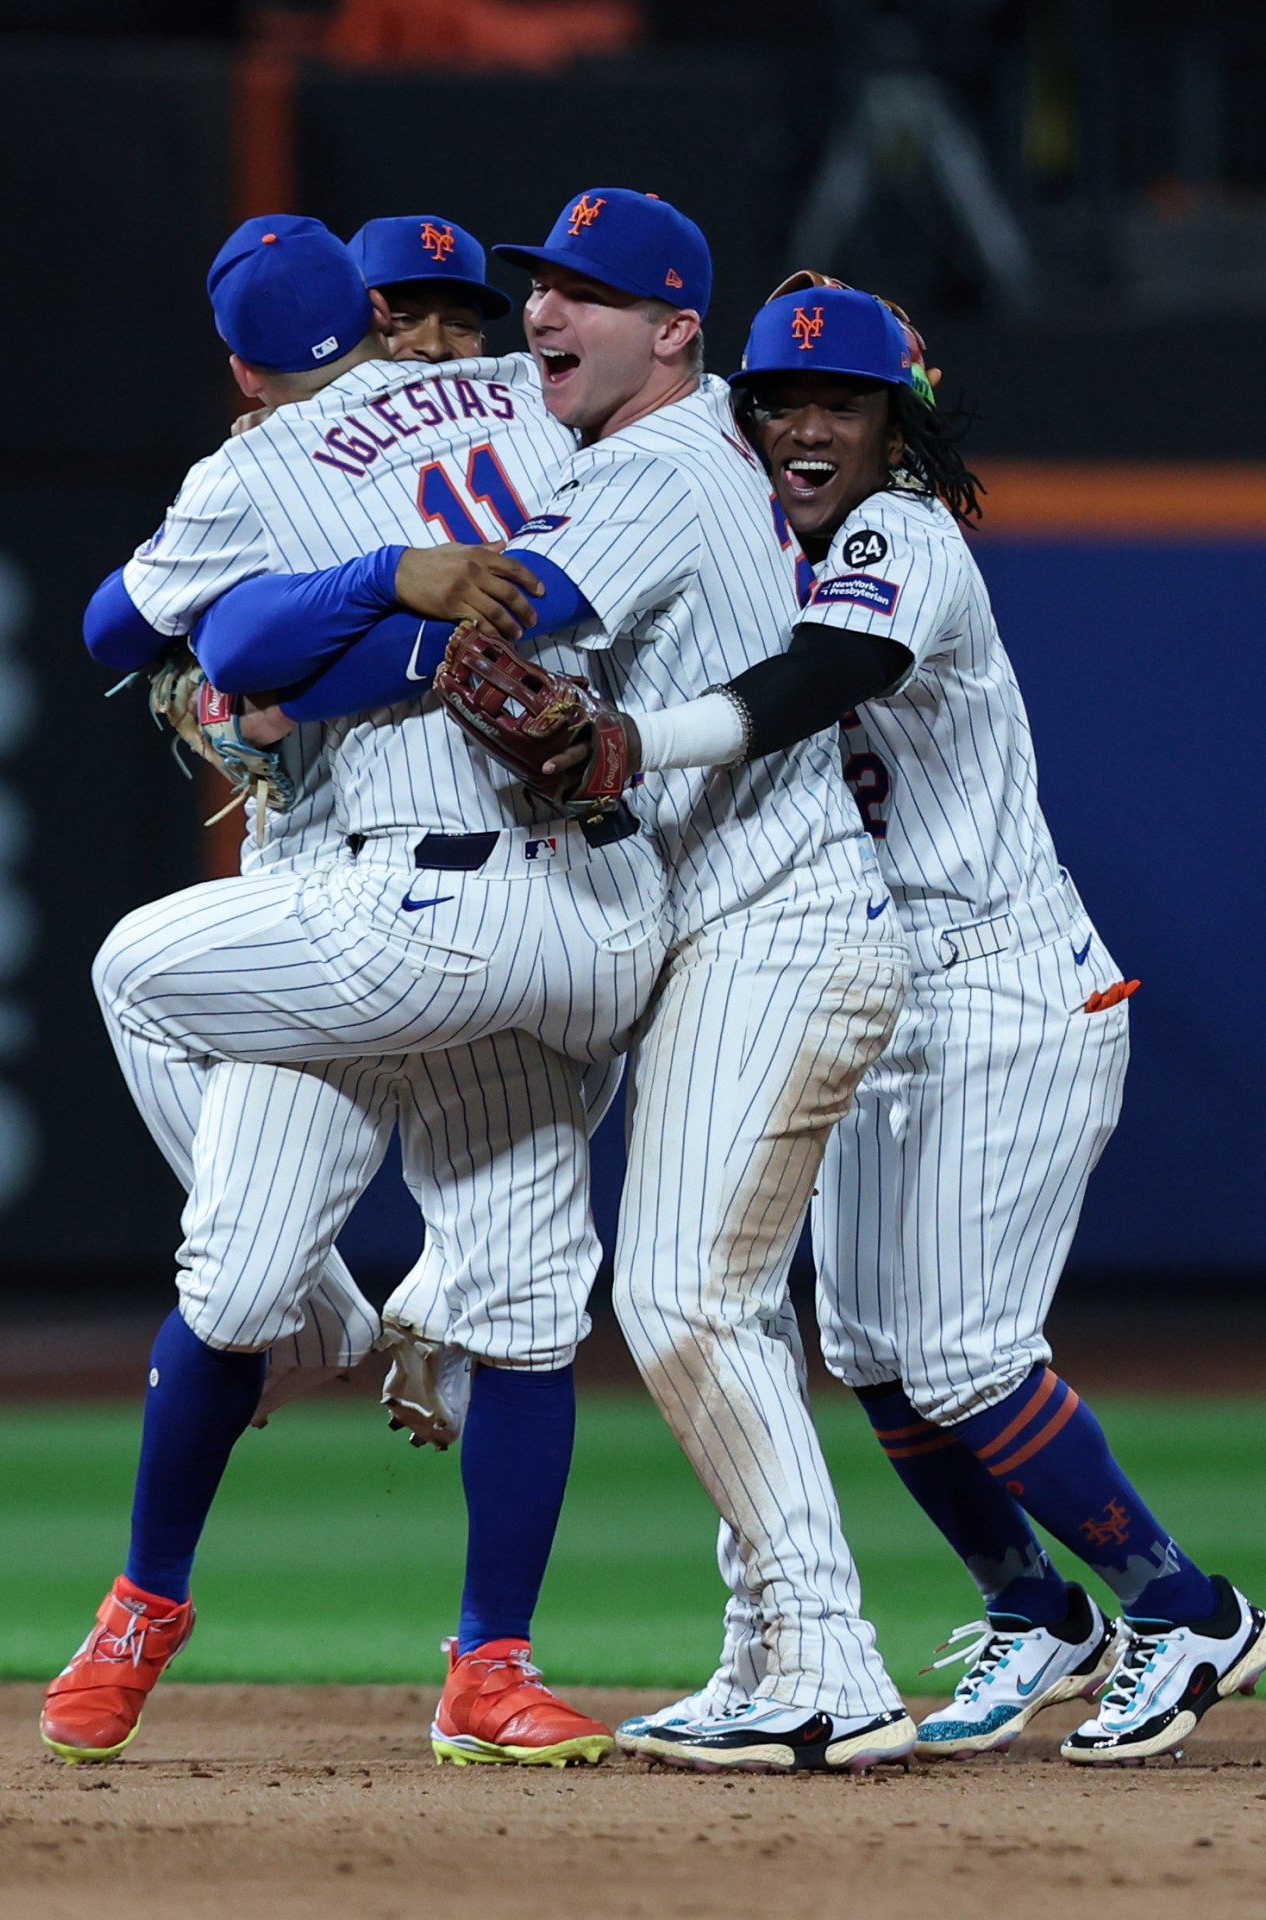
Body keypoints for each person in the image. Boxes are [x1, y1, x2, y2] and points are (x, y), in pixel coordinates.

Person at [201, 189, 926, 1772]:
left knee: (683, 1300)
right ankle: (779, 1649)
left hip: (771, 921)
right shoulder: (610, 453)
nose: (544, 314)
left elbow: (484, 641)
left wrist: (256, 658)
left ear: (678, 332)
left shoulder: (659, 470)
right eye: (540, 288)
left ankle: (830, 1661)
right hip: (709, 925)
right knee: (706, 1304)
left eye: (589, 297)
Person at [44, 212, 664, 1769]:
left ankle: (491, 1667)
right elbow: (187, 647)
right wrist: (360, 605)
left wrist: (322, 618)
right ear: (376, 321)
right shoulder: (526, 407)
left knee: (524, 1307)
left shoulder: (278, 465)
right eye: (422, 312)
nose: (450, 338)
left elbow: (147, 629)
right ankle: (147, 1594)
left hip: (469, 893)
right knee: (242, 1287)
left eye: (473, 311)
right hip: (351, 898)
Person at [699, 278, 1266, 1765]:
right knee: (876, 1350)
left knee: (964, 1356)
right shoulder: (753, 544)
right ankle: (1037, 1610)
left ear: (902, 424)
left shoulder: (903, 532)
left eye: (846, 402)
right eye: (784, 401)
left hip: (1000, 985)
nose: (811, 426)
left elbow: (835, 673)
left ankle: (1188, 1608)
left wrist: (651, 737)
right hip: (881, 991)